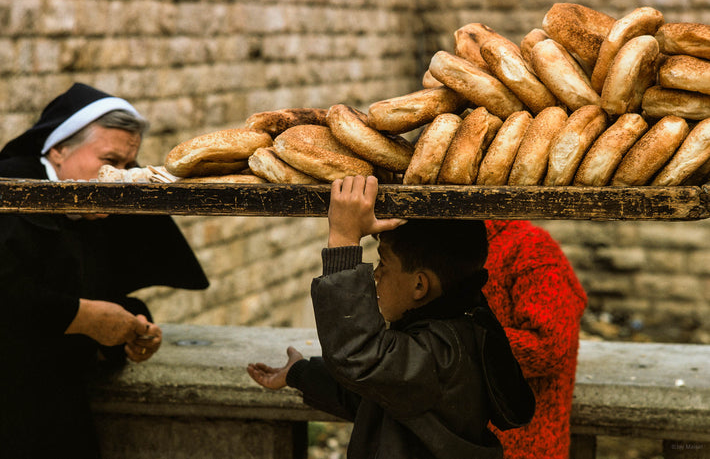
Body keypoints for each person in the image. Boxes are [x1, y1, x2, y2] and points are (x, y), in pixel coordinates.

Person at [247, 175, 535, 459]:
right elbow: (373, 392)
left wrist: (344, 240)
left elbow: (360, 357)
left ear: (420, 285)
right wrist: (298, 373)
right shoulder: (444, 334)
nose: (375, 275)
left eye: (383, 263)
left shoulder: (446, 355)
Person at [0, 83, 209, 459]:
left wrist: (132, 326)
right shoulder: (12, 190)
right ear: (59, 149)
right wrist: (80, 317)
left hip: (58, 405)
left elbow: (94, 290)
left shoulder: (93, 206)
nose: (121, 176)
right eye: (109, 160)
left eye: (129, 165)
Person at [483, 220, 588, 459]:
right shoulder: (430, 238)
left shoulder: (529, 247)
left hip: (524, 447)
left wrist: (461, 340)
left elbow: (550, 346)